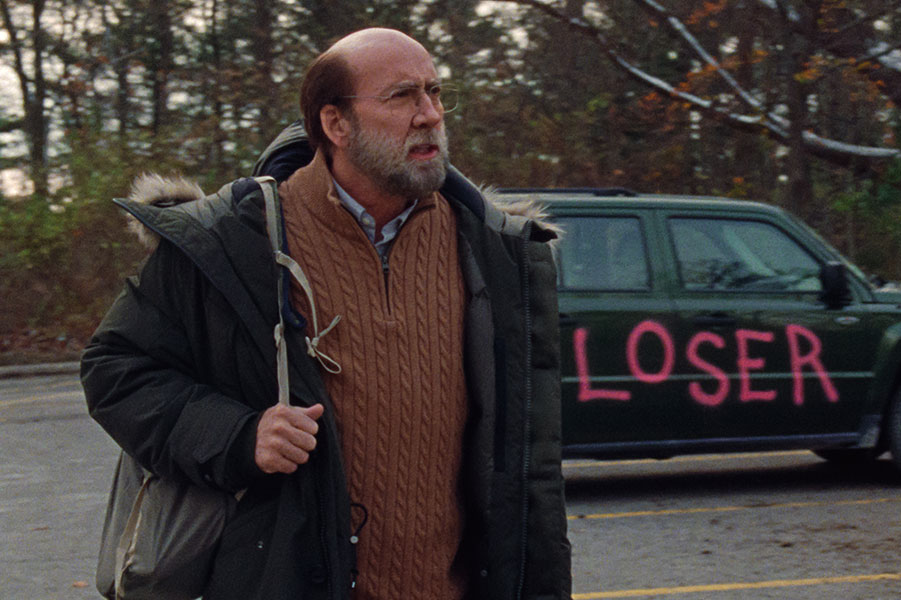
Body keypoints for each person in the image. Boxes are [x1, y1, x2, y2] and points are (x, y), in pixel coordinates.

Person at [82, 28, 570, 599]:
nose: (430, 115)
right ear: (335, 124)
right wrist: (239, 436)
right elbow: (115, 369)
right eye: (402, 96)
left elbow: (530, 476)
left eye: (436, 93)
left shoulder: (497, 251)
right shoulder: (232, 243)